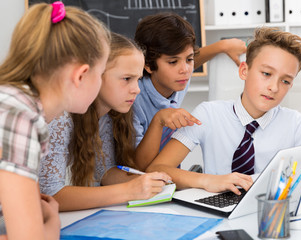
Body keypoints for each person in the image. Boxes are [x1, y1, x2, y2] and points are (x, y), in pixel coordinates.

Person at [146, 27, 301, 195]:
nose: (274, 87)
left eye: (285, 81)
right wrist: (208, 180)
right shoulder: (208, 114)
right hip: (217, 209)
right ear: (244, 71)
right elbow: (157, 168)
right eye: (266, 74)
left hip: (267, 208)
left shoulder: (294, 123)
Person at [0, 2, 110, 239]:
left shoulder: (14, 102)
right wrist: (52, 224)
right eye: (100, 74)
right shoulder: (19, 115)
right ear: (80, 75)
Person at [39, 33, 174, 212]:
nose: (137, 90)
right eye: (127, 79)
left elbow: (103, 171)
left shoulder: (107, 116)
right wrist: (128, 191)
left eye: (138, 79)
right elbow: (50, 195)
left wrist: (144, 182)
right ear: (95, 74)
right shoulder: (59, 117)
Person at [133, 12, 247, 170]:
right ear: (148, 65)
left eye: (189, 59)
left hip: (169, 179)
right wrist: (158, 121)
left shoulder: (176, 79)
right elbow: (139, 166)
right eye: (173, 62)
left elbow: (191, 58)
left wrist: (222, 46)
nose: (185, 70)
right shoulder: (133, 98)